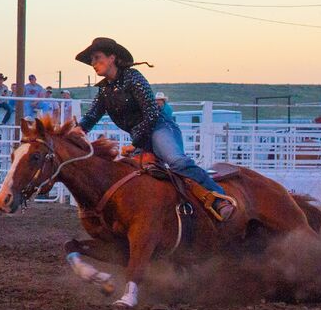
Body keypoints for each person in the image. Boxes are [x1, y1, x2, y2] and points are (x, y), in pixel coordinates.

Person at [74, 37, 236, 220]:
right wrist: (78, 130)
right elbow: (92, 115)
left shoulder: (132, 76)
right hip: (142, 137)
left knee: (176, 161)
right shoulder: (105, 90)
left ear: (112, 57)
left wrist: (134, 143)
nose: (93, 63)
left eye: (97, 57)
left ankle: (220, 199)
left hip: (160, 128)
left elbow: (151, 112)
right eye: (92, 60)